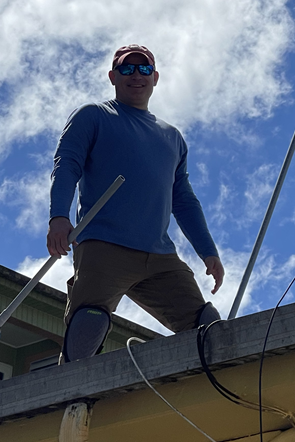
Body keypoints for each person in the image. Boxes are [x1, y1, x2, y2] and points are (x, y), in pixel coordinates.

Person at [47, 44, 224, 361]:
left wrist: (208, 251)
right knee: (88, 324)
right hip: (104, 245)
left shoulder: (172, 138)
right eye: (127, 69)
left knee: (206, 325)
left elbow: (182, 199)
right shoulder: (95, 116)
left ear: (155, 78)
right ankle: (70, 394)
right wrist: (58, 216)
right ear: (113, 76)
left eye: (144, 69)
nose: (136, 75)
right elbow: (67, 164)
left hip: (159, 255)